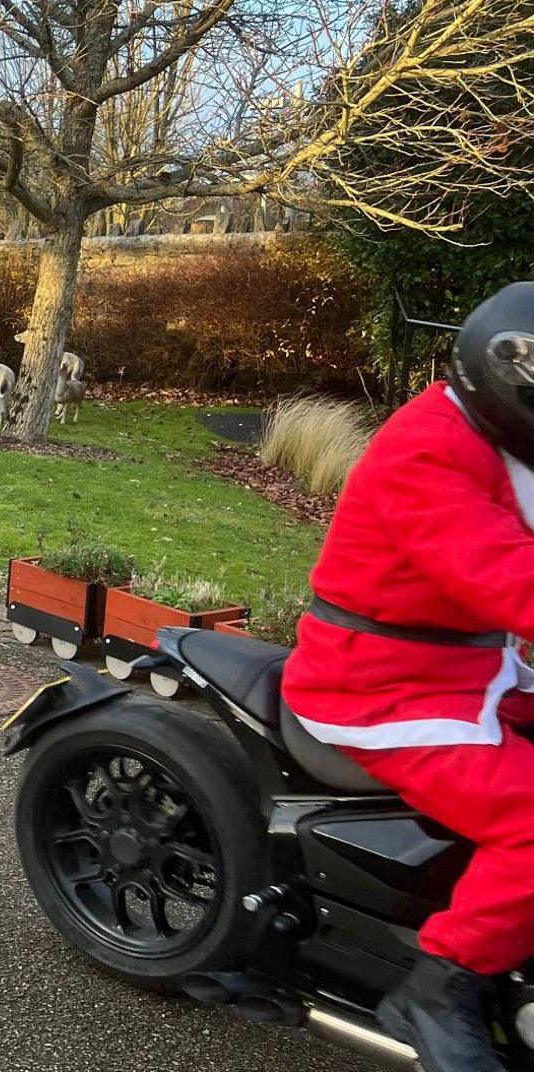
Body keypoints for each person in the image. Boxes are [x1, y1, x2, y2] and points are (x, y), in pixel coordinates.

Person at [281, 282, 534, 1072]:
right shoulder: (426, 455)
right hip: (384, 686)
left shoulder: (507, 434)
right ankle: (440, 987)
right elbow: (512, 578)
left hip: (476, 662)